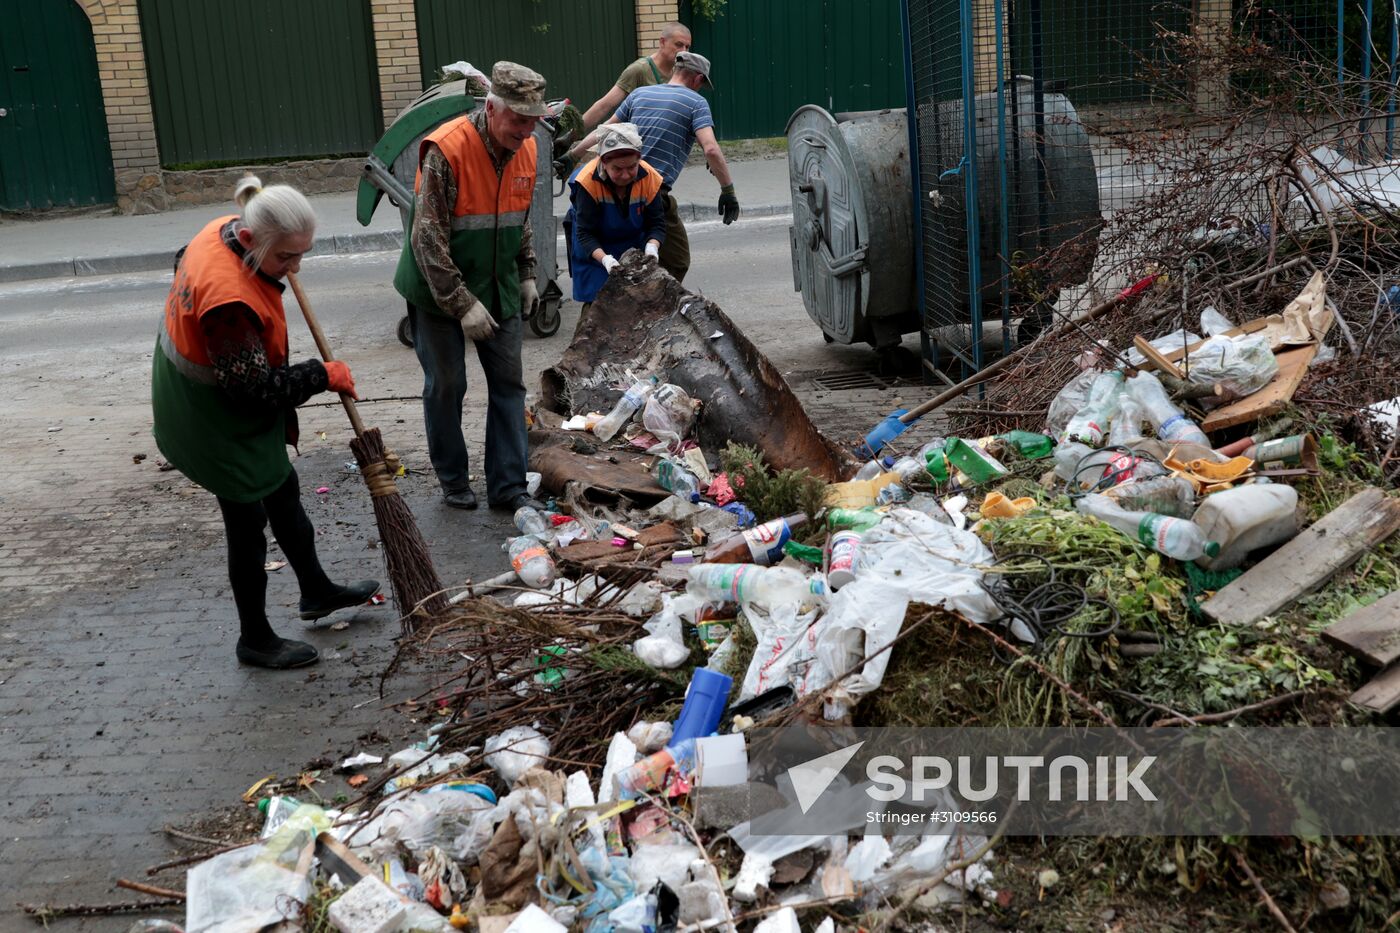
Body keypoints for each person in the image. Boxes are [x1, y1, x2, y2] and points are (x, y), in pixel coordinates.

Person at [151, 176, 379, 670]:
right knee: (247, 522)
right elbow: (254, 390)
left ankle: (315, 590)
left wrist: (268, 268)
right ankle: (254, 638)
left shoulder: (223, 230)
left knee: (283, 487)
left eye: (302, 255)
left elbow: (180, 261)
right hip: (207, 412)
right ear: (252, 241)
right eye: (286, 259)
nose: (295, 268)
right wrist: (322, 374)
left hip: (223, 393)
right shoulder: (229, 302)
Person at [393, 61, 551, 513]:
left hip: (497, 283)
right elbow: (427, 240)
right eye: (518, 120)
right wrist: (462, 304)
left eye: (532, 120)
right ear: (491, 107)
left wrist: (525, 271)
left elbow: (519, 217)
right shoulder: (447, 150)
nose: (525, 130)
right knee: (447, 385)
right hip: (436, 286)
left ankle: (508, 487)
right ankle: (453, 479)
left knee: (509, 385)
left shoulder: (528, 147)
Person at [566, 51, 738, 283]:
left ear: (675, 71)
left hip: (611, 182)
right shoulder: (696, 102)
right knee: (676, 260)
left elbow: (604, 131)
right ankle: (646, 301)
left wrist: (572, 155)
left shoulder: (639, 94)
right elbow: (711, 149)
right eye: (701, 83)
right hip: (650, 189)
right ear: (698, 79)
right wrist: (727, 190)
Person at [566, 123, 667, 305]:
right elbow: (585, 233)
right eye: (617, 169)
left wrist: (652, 248)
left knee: (637, 305)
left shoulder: (650, 178)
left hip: (633, 246)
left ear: (639, 159)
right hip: (595, 249)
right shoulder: (587, 183)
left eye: (631, 167)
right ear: (603, 163)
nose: (626, 175)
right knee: (598, 306)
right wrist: (606, 260)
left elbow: (656, 224)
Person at [578, 23, 691, 133]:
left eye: (687, 47)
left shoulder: (679, 74)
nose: (684, 52)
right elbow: (604, 105)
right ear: (662, 42)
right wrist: (572, 135)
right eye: (679, 45)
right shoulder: (640, 69)